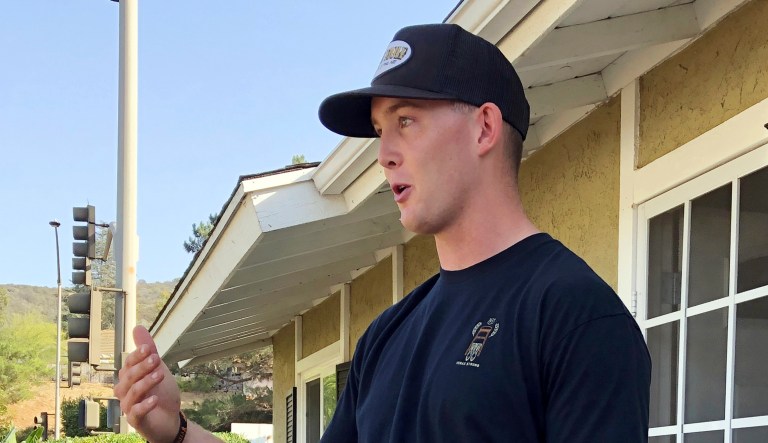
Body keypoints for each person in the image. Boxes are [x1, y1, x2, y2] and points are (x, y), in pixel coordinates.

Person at [115, 23, 651, 443]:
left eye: (407, 121)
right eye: (379, 131)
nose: (384, 154)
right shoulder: (387, 335)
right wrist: (177, 431)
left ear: (484, 127)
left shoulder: (575, 316)